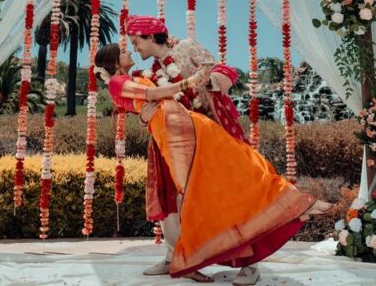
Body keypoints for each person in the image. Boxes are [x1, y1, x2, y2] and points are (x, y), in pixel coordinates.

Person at [95, 43, 334, 284]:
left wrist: (194, 85)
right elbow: (152, 96)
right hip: (173, 134)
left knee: (240, 162)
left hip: (188, 124)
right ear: (115, 62)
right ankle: (187, 258)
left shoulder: (163, 60)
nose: (131, 51)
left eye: (135, 43)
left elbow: (153, 101)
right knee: (195, 193)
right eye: (126, 50)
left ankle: (295, 202)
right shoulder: (117, 82)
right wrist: (188, 83)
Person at [125, 16, 250, 282]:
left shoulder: (186, 47)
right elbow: (151, 107)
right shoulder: (150, 72)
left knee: (226, 197)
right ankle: (175, 257)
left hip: (209, 134)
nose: (136, 49)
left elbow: (222, 70)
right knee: (171, 197)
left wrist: (198, 83)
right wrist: (145, 115)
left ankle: (250, 264)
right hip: (173, 140)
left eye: (137, 42)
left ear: (150, 37)